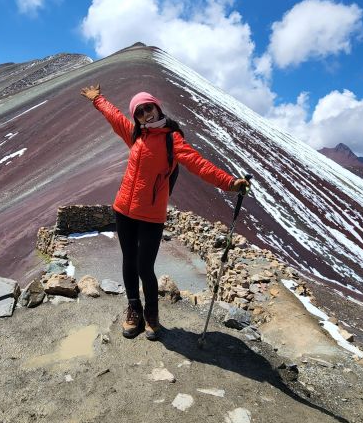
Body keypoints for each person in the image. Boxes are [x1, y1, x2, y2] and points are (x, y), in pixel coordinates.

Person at [81, 84, 249, 340]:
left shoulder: (172, 139)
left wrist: (229, 182)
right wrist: (98, 100)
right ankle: (134, 309)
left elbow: (198, 163)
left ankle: (151, 315)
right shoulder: (136, 135)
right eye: (139, 112)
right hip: (123, 210)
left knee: (144, 267)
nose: (145, 114)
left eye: (148, 108)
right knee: (128, 261)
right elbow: (114, 117)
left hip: (151, 216)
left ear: (157, 106)